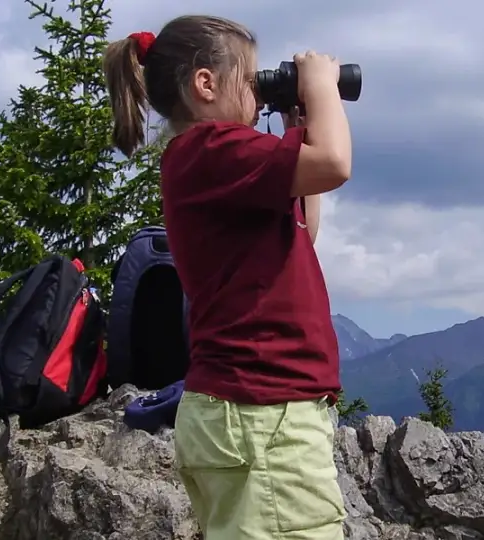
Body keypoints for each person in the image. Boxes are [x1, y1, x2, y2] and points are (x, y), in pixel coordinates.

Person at [102, 14, 351, 540]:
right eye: (250, 79)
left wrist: (299, 123)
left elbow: (303, 230)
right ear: (206, 84)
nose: (259, 92)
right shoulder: (214, 148)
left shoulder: (211, 161)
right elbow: (333, 161)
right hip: (263, 414)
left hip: (247, 415)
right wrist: (322, 84)